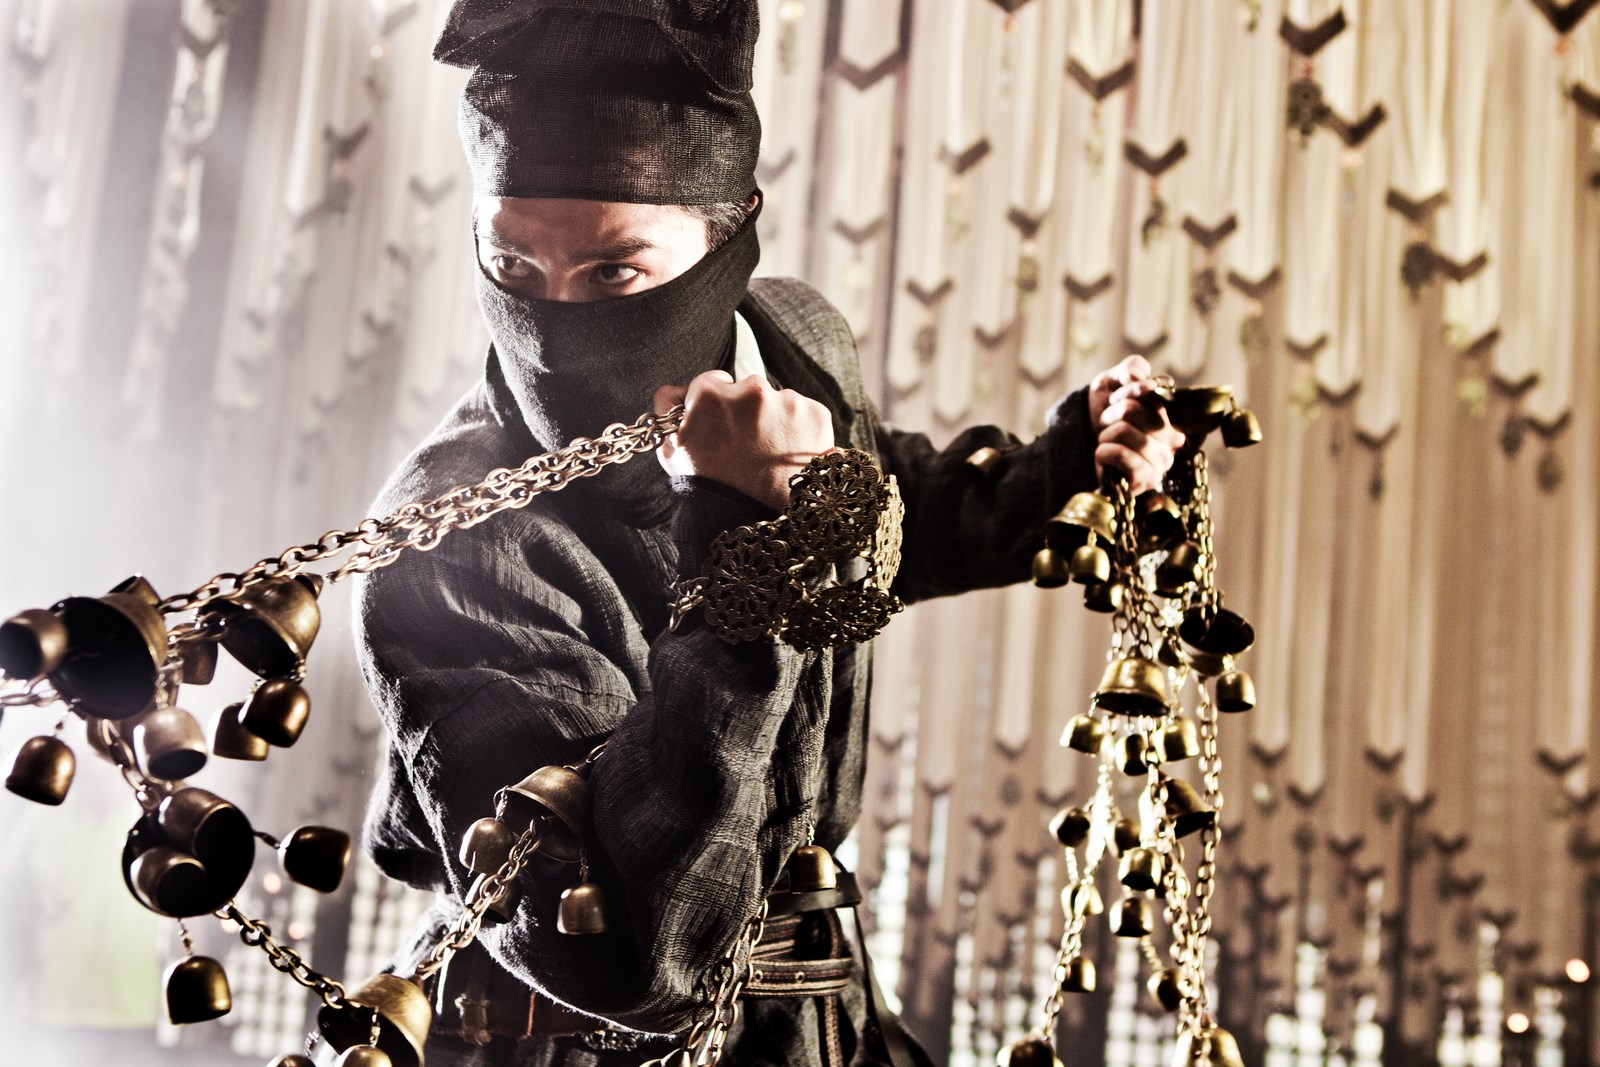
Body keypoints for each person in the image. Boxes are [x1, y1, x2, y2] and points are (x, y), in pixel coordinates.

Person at [352, 3, 1183, 1065]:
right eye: (513, 266)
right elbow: (638, 957)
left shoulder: (792, 345)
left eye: (613, 272)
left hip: (818, 1021)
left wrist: (1067, 468)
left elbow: (882, 513)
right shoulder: (446, 549)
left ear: (728, 236)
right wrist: (750, 550)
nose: (556, 328)